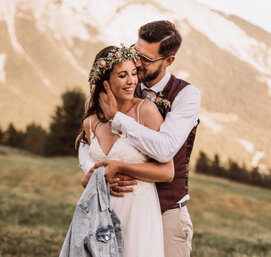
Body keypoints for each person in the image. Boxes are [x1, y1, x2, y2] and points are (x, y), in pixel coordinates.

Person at [79, 20, 201, 257]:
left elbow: (165, 149)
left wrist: (117, 118)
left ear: (169, 61)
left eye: (146, 60)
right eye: (136, 52)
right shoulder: (127, 82)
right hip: (114, 208)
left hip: (167, 213)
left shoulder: (186, 95)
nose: (136, 63)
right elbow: (87, 138)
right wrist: (96, 173)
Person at [76, 45, 175, 257]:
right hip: (100, 215)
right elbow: (90, 174)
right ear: (105, 81)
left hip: (138, 214)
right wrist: (90, 180)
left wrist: (121, 166)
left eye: (133, 73)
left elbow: (167, 172)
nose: (132, 81)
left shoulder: (145, 111)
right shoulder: (91, 122)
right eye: (122, 75)